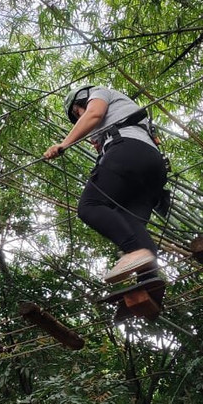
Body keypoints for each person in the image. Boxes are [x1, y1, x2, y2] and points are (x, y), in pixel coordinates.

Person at [44, 84, 167, 283]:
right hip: (153, 165)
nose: (79, 116)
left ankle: (134, 250)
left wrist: (63, 144)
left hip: (129, 151)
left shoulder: (100, 92)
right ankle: (148, 282)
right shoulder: (121, 113)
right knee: (131, 222)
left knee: (90, 206)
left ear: (83, 98)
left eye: (77, 111)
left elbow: (94, 114)